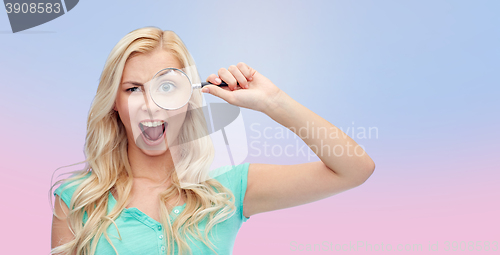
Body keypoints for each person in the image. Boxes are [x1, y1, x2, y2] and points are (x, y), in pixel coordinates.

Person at [50, 26, 375, 255]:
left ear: (189, 100)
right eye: (133, 89)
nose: (151, 104)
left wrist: (273, 101)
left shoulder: (227, 189)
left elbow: (354, 169)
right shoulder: (77, 200)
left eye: (167, 87)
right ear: (114, 103)